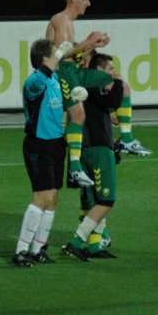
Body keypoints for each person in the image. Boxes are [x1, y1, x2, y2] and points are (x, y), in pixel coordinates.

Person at [46, 0, 152, 174]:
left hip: (73, 71)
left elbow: (73, 56)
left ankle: (127, 138)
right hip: (62, 73)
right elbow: (62, 54)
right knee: (77, 116)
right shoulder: (60, 19)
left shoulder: (69, 22)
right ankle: (76, 167)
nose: (89, 2)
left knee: (119, 83)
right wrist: (88, 41)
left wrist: (92, 45)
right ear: (74, 0)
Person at [12, 38, 84, 267]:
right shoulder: (34, 82)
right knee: (41, 197)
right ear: (46, 58)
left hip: (55, 144)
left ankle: (38, 248)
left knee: (53, 199)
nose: (59, 55)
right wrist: (60, 52)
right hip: (38, 145)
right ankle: (21, 251)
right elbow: (44, 73)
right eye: (54, 53)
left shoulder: (54, 80)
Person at [63, 52, 123, 261]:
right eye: (109, 69)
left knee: (92, 201)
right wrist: (119, 82)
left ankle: (95, 245)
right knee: (106, 200)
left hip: (86, 149)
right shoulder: (90, 87)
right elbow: (115, 100)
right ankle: (77, 242)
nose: (112, 73)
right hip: (96, 150)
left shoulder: (81, 86)